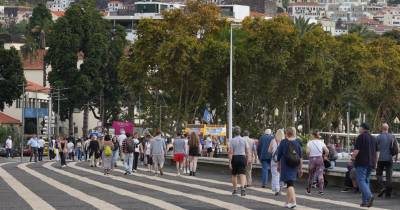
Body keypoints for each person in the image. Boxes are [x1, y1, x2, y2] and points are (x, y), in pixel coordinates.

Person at [352, 123, 379, 207]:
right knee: (366, 181)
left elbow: (357, 150)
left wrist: (352, 158)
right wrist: (376, 163)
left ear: (363, 128)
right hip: (371, 163)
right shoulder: (374, 138)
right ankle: (365, 201)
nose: (359, 129)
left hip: (361, 162)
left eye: (359, 127)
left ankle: (369, 196)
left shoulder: (360, 137)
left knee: (360, 180)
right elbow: (377, 152)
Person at [277, 127, 303, 209]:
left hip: (285, 165)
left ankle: (293, 202)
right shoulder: (297, 143)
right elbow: (300, 157)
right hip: (294, 165)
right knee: (290, 183)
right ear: (293, 133)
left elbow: (279, 155)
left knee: (290, 184)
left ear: (286, 133)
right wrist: (300, 168)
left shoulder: (283, 142)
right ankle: (287, 202)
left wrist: (278, 165)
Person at [376, 123, 398, 198]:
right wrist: (395, 157)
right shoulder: (392, 137)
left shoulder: (378, 137)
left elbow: (376, 149)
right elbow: (396, 148)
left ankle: (382, 187)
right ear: (387, 128)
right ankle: (388, 194)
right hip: (389, 159)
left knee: (379, 174)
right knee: (389, 176)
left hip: (380, 159)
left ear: (382, 128)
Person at [306, 130, 329, 195]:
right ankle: (321, 191)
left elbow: (307, 152)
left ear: (313, 135)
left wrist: (308, 156)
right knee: (320, 174)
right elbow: (327, 151)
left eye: (311, 135)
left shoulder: (309, 143)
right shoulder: (321, 142)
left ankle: (309, 190)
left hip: (312, 159)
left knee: (311, 175)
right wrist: (325, 156)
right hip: (319, 159)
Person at [228, 126, 249, 196]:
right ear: (240, 132)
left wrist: (230, 162)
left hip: (235, 157)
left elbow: (230, 152)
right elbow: (247, 151)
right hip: (242, 157)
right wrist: (247, 159)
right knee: (242, 174)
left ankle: (235, 190)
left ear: (234, 132)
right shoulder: (244, 140)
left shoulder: (232, 140)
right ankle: (242, 188)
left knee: (234, 174)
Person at [268, 129, 284, 196]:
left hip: (274, 160)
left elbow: (269, 151)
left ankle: (276, 189)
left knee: (275, 175)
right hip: (282, 160)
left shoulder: (273, 140)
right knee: (282, 175)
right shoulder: (284, 141)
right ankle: (280, 189)